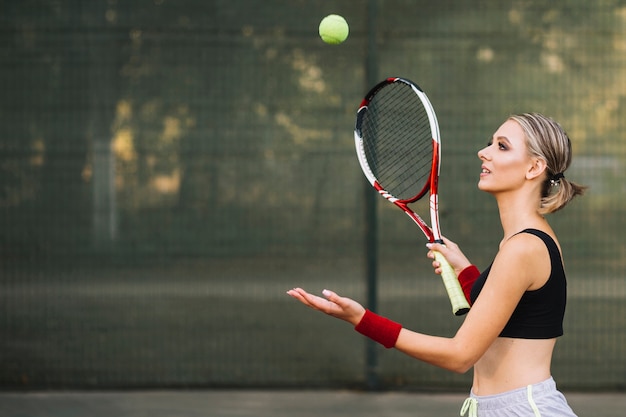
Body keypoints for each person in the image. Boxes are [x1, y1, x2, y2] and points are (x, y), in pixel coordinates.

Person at [287, 112, 586, 417]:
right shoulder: (525, 240)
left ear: (534, 167)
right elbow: (507, 317)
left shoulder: (523, 247)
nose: (483, 152)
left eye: (502, 146)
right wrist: (466, 272)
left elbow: (460, 356)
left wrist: (362, 319)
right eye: (490, 143)